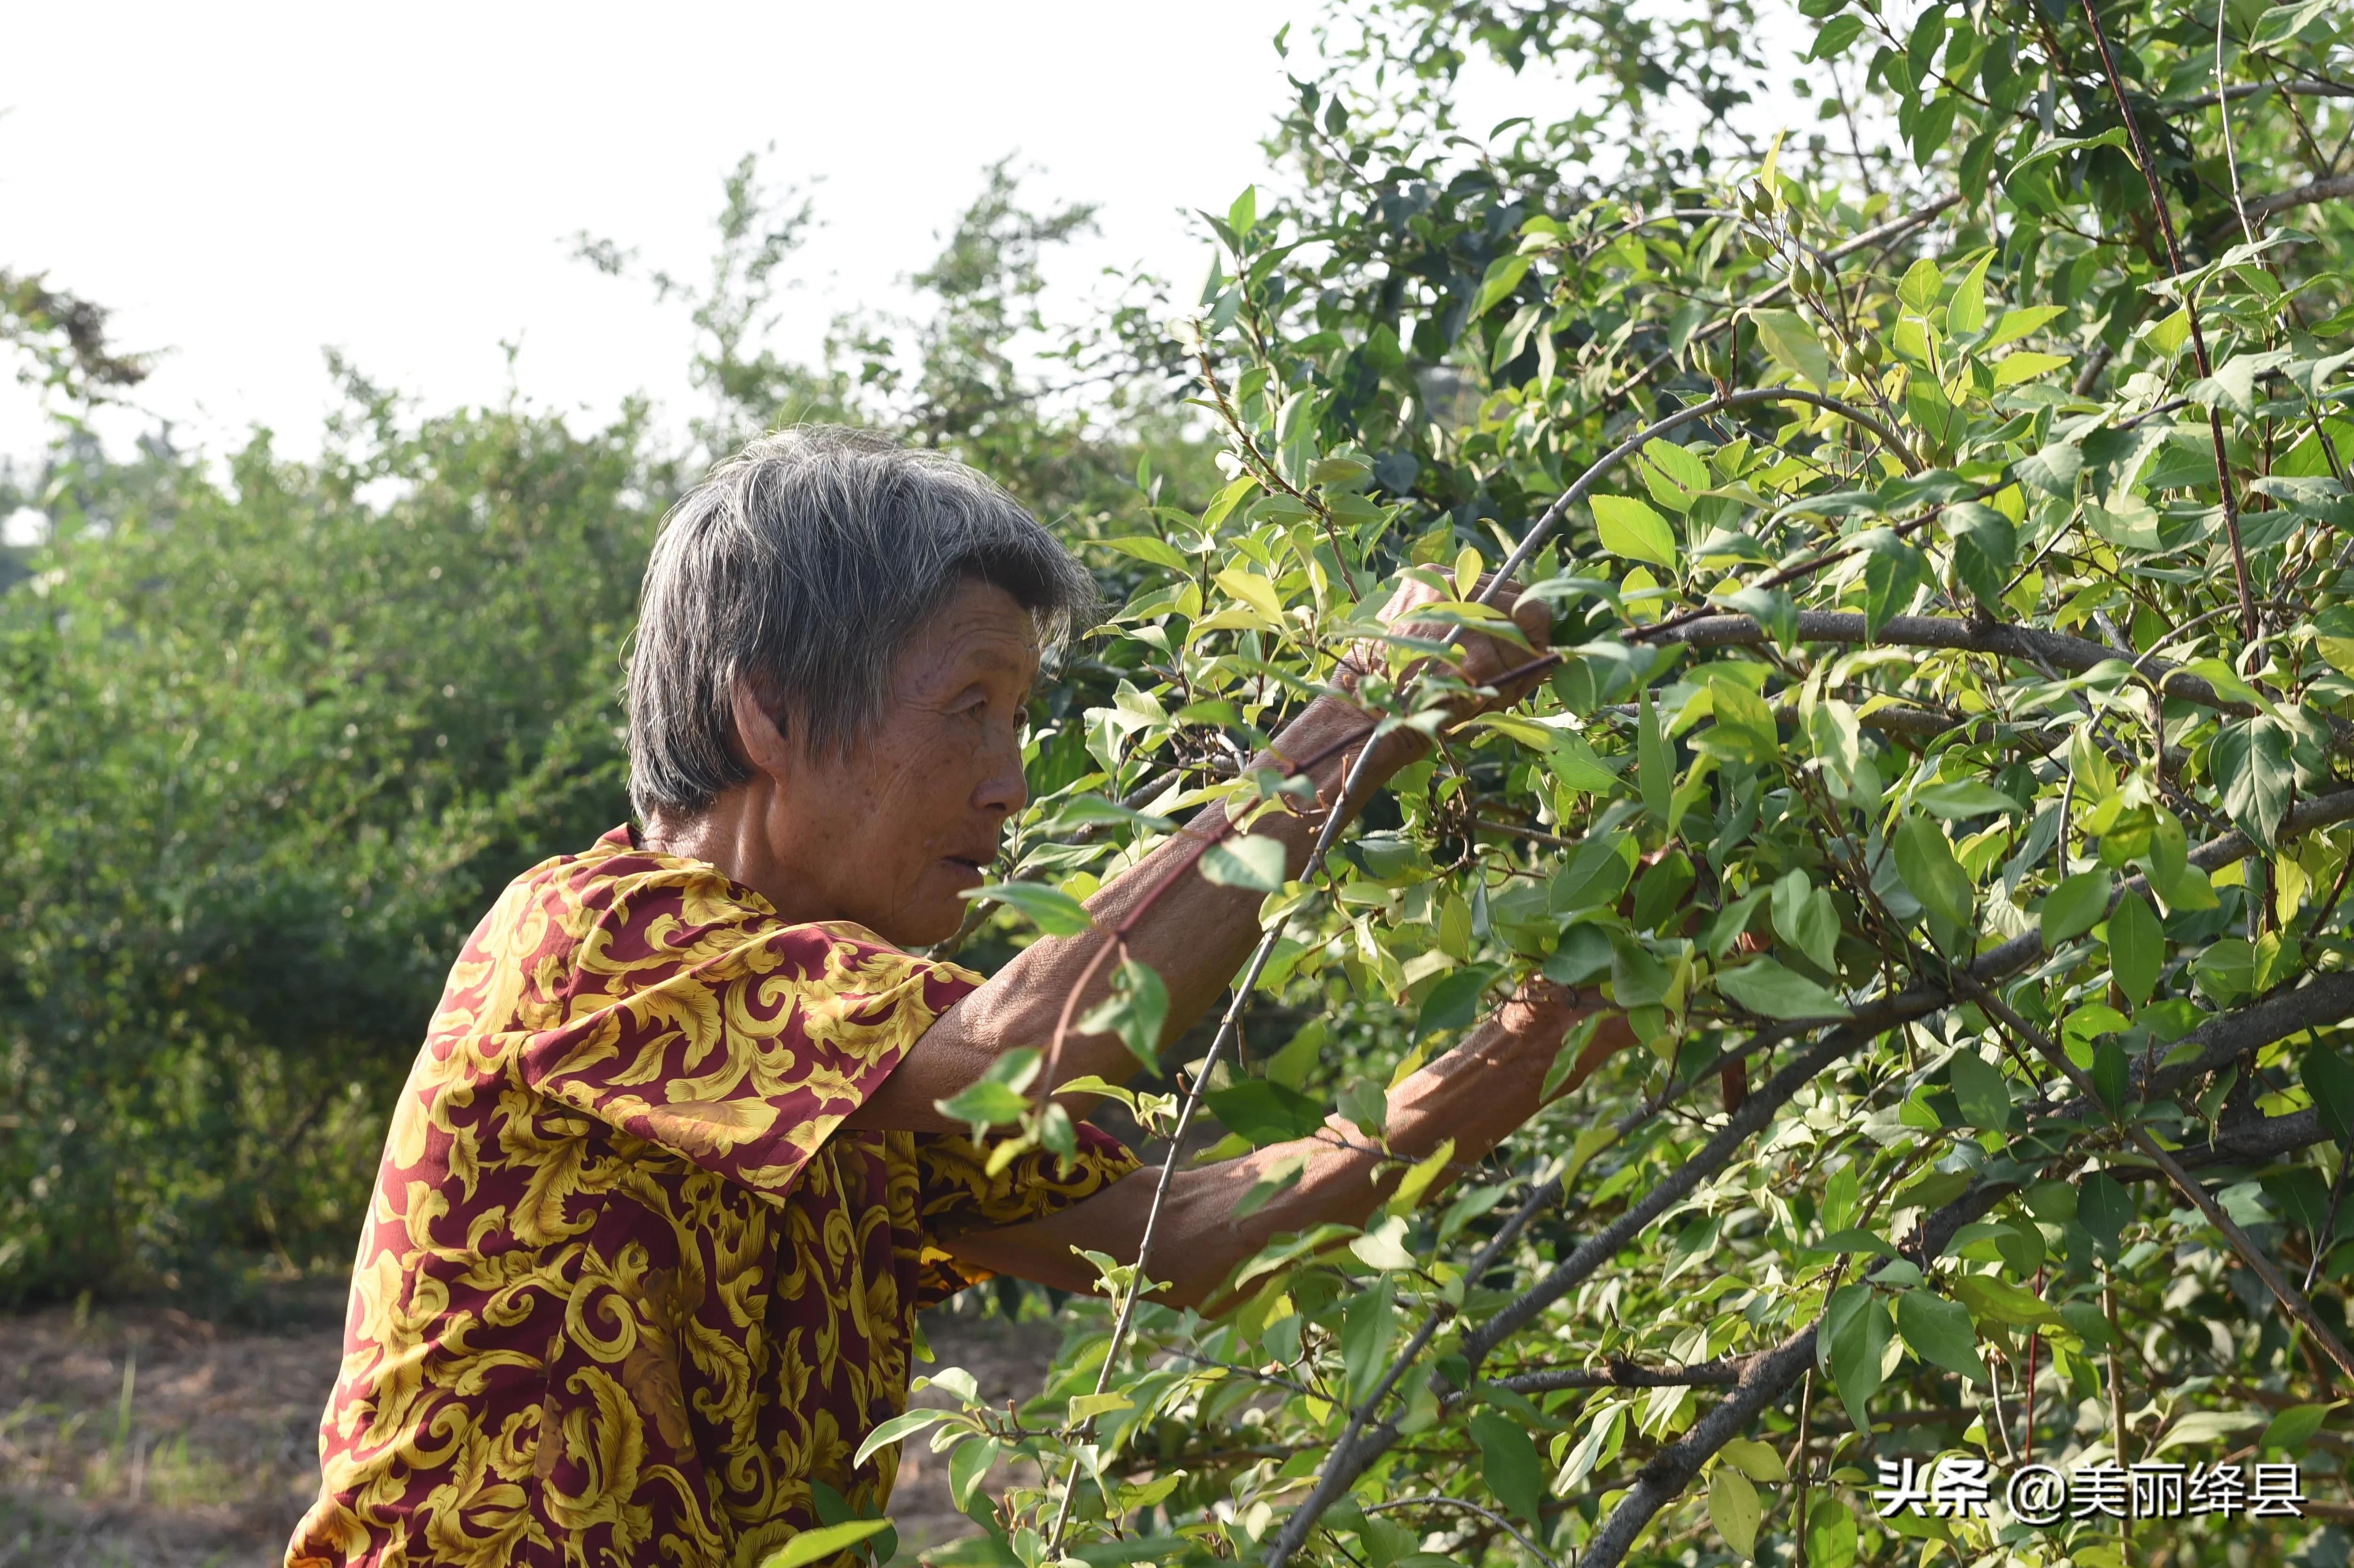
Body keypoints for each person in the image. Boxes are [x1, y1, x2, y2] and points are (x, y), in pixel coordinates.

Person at [285, 426, 1628, 1568]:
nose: (1009, 785)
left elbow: (1203, 1241)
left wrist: (1557, 1026)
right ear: (767, 714)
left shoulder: (856, 1067)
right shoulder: (595, 939)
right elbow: (1031, 1046)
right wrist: (1356, 727)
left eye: (1018, 719)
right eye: (966, 709)